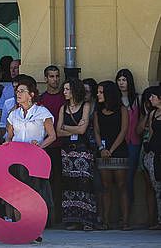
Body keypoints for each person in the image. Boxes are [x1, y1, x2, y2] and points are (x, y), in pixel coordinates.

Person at [5, 75, 56, 242]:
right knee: (18, 194)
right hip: (16, 159)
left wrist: (39, 147)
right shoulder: (13, 114)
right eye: (17, 91)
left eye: (22, 91)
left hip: (35, 159)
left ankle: (35, 229)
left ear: (31, 94)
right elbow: (9, 137)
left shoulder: (42, 112)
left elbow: (52, 136)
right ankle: (21, 228)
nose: (18, 94)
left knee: (35, 193)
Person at [56, 78, 96, 231]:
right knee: (70, 184)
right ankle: (73, 219)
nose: (64, 92)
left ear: (74, 90)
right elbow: (58, 131)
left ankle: (87, 219)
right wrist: (72, 128)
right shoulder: (63, 108)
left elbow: (82, 130)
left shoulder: (85, 106)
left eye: (67, 89)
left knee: (84, 183)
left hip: (82, 150)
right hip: (67, 151)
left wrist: (66, 127)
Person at [93, 80, 130, 230]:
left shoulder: (122, 110)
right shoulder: (97, 111)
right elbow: (96, 131)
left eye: (101, 92)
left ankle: (125, 221)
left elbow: (124, 131)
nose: (98, 95)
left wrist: (111, 150)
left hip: (119, 151)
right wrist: (102, 148)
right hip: (103, 151)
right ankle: (106, 221)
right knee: (105, 187)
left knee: (122, 186)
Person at [38, 65, 64, 224]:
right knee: (43, 183)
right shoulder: (41, 100)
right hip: (45, 146)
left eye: (57, 76)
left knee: (60, 183)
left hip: (61, 146)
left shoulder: (64, 97)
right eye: (52, 76)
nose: (55, 80)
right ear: (46, 78)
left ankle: (59, 217)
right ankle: (45, 218)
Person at [116, 68, 142, 209]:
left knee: (129, 177)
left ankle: (129, 210)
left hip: (134, 142)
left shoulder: (137, 99)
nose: (121, 83)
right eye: (119, 80)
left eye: (124, 80)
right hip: (118, 143)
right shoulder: (115, 100)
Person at [141, 86, 161, 229]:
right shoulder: (153, 114)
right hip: (154, 154)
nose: (150, 99)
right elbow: (151, 133)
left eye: (153, 96)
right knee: (157, 188)